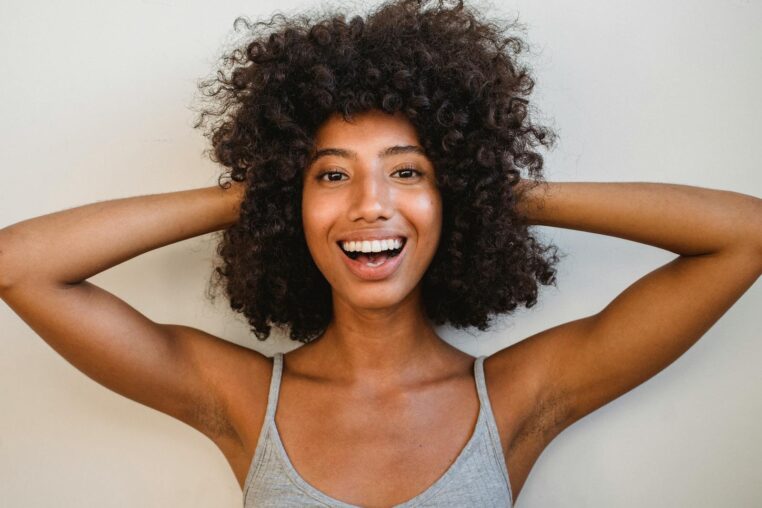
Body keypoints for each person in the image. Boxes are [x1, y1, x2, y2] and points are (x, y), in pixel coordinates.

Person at [1, 0, 760, 506]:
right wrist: (265, 189)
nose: (370, 204)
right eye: (332, 174)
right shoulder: (238, 399)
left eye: (407, 171)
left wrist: (488, 188)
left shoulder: (520, 397)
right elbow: (20, 264)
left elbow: (744, 235)